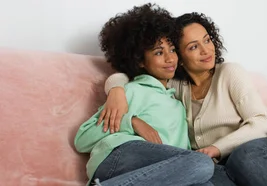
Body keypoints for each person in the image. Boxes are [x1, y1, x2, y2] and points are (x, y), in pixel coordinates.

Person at [99, 12, 267, 186]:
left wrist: (215, 148)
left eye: (207, 40)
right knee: (200, 180)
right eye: (194, 47)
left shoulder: (230, 73)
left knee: (243, 156)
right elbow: (129, 75)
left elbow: (261, 123)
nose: (206, 50)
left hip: (260, 152)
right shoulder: (174, 86)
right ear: (180, 57)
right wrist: (116, 90)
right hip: (222, 168)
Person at [73, 4, 214, 186]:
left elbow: (180, 164)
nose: (170, 58)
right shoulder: (134, 90)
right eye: (158, 52)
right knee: (201, 164)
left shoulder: (178, 105)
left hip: (149, 172)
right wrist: (132, 122)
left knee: (204, 182)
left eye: (172, 50)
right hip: (118, 155)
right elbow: (82, 139)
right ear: (139, 60)